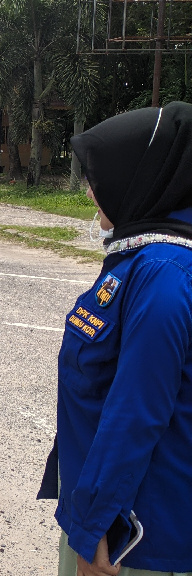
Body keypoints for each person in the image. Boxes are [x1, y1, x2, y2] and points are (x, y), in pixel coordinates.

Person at [38, 101, 192, 576]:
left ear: (141, 178)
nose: (91, 191)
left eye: (101, 178)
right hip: (102, 507)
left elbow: (136, 412)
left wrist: (95, 530)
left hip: (132, 540)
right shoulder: (145, 256)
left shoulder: (163, 276)